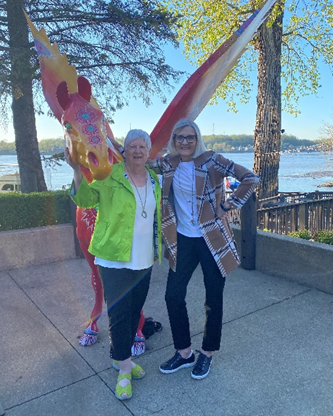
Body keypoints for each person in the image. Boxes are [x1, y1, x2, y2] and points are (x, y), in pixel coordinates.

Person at [155, 119, 259, 380]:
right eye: (180, 137)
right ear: (174, 139)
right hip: (183, 240)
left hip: (212, 238)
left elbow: (250, 178)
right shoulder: (168, 163)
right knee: (173, 295)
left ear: (197, 138)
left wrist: (228, 205)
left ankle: (207, 353)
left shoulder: (212, 160)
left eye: (190, 137)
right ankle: (184, 352)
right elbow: (137, 158)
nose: (185, 142)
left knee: (213, 298)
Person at [66, 129, 162, 400]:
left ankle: (120, 358)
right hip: (113, 259)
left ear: (148, 151)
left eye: (142, 146)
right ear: (125, 150)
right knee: (119, 315)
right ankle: (123, 370)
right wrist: (76, 170)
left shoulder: (154, 179)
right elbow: (84, 199)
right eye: (132, 145)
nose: (137, 150)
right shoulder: (110, 177)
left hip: (144, 259)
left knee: (134, 313)